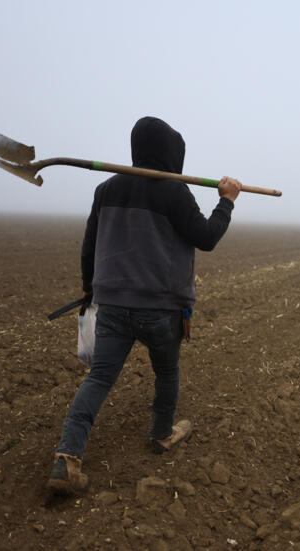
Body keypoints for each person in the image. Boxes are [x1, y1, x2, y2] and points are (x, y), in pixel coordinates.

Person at [47, 116, 242, 494]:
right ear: (172, 153)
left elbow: (90, 243)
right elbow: (206, 238)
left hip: (113, 305)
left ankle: (67, 457)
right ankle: (161, 433)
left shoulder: (106, 190)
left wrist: (90, 288)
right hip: (162, 310)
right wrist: (226, 201)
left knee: (99, 377)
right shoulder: (173, 191)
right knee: (166, 372)